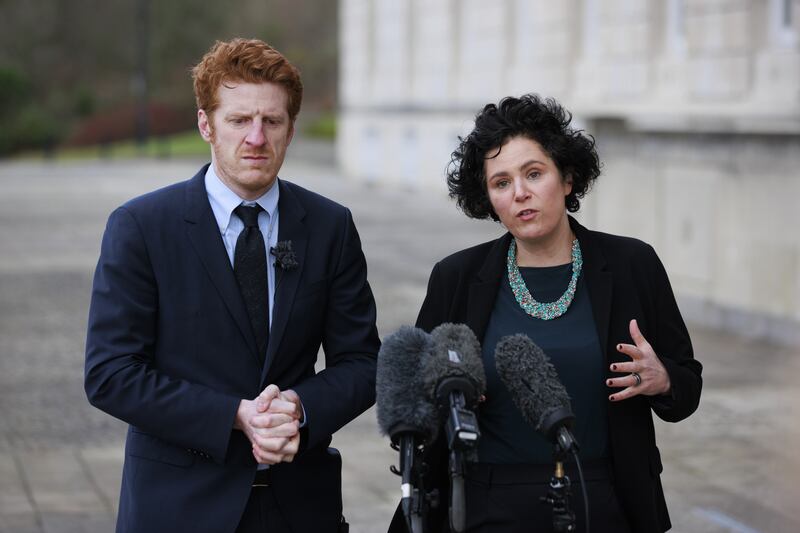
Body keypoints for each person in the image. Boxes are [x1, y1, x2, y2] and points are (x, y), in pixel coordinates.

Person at [85, 38, 379, 533]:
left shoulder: (330, 226)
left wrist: (300, 408)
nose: (257, 138)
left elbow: (364, 362)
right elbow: (111, 373)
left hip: (300, 505)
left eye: (272, 121)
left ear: (291, 129)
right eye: (239, 120)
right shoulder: (141, 226)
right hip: (179, 508)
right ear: (207, 125)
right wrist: (235, 416)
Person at [390, 94, 702, 532]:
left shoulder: (633, 264)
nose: (520, 193)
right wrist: (446, 396)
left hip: (604, 500)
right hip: (485, 504)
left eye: (534, 174)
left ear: (567, 177)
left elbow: (687, 388)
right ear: (488, 198)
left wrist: (663, 379)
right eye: (501, 183)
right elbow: (413, 398)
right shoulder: (456, 277)